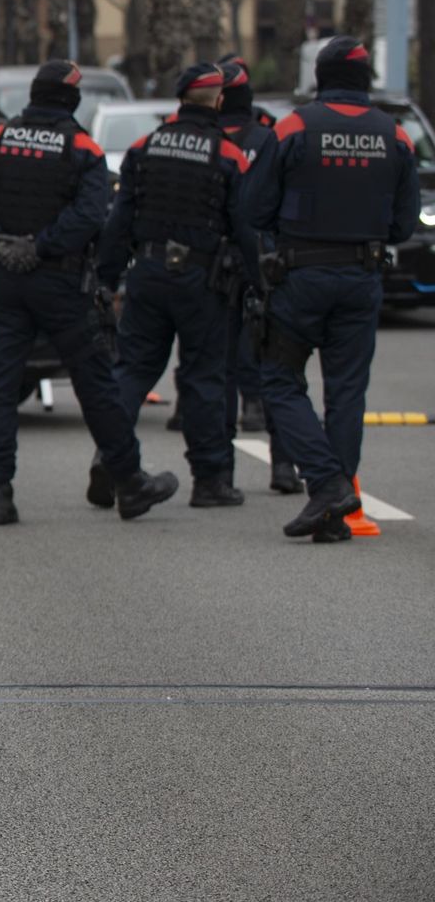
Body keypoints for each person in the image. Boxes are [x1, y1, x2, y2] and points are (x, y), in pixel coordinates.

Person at [0, 60, 177, 524]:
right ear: (71, 100)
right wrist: (43, 247)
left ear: (33, 95)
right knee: (95, 384)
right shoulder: (82, 149)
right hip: (61, 282)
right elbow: (94, 215)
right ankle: (130, 482)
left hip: (5, 281)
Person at [251, 36, 420, 542]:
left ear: (321, 79)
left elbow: (254, 205)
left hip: (301, 276)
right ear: (365, 80)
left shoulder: (294, 127)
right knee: (347, 393)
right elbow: (404, 225)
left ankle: (327, 485)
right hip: (362, 277)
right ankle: (337, 508)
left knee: (279, 380)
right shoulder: (396, 134)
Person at [95, 63, 258, 511]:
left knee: (131, 371)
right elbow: (245, 228)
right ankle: (210, 482)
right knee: (204, 377)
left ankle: (111, 459)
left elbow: (118, 220)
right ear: (219, 101)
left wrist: (106, 279)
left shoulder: (143, 147)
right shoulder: (229, 155)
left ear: (181, 99)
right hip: (203, 282)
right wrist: (260, 284)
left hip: (146, 274)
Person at [217, 57, 303, 494]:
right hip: (264, 263)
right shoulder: (266, 139)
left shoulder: (204, 139)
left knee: (216, 370)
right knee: (277, 364)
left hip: (211, 267)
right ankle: (283, 467)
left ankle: (218, 476)